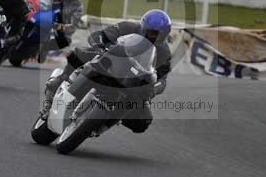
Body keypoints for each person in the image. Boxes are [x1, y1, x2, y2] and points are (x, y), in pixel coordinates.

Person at [41, 9, 172, 134]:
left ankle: (103, 124)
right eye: (152, 33)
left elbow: (162, 80)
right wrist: (99, 46)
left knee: (143, 120)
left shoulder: (164, 53)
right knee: (78, 55)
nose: (155, 37)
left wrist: (152, 90)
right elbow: (100, 35)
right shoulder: (127, 27)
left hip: (131, 82)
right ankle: (59, 81)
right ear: (144, 28)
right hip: (109, 62)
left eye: (160, 35)